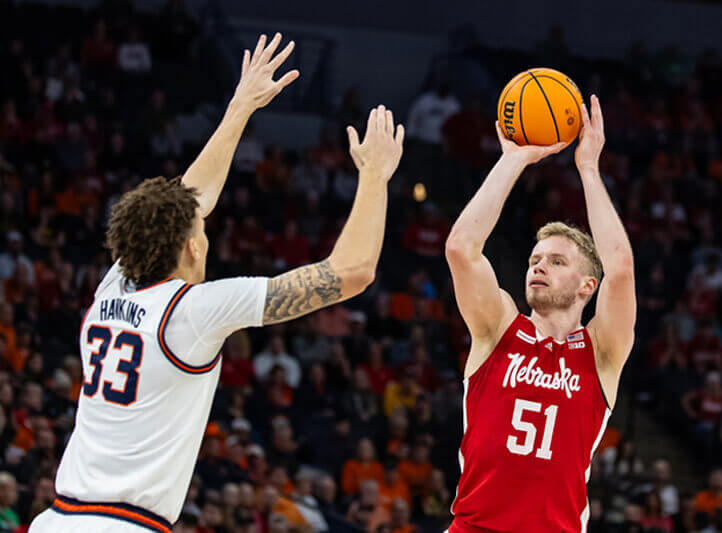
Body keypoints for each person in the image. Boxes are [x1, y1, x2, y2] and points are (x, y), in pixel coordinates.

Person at [30, 33, 405, 533]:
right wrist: (376, 177)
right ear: (192, 246)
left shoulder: (113, 286)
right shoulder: (193, 311)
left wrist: (240, 107)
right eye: (202, 228)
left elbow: (188, 199)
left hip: (57, 519)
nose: (206, 226)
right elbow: (352, 272)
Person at [445, 95, 636, 532]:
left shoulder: (601, 351)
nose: (538, 266)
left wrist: (588, 168)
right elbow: (460, 248)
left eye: (556, 261)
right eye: (534, 260)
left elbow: (620, 268)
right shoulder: (498, 329)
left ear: (588, 286)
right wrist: (513, 159)